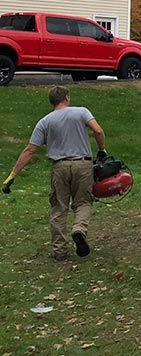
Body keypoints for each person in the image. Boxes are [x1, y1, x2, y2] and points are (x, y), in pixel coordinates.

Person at [2, 86, 108, 260]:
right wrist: (102, 149)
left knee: (59, 208)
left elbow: (30, 150)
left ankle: (59, 252)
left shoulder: (44, 121)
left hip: (59, 167)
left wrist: (12, 175)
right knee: (83, 202)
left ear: (52, 102)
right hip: (83, 165)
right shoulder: (81, 112)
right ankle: (79, 230)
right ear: (66, 97)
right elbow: (98, 130)